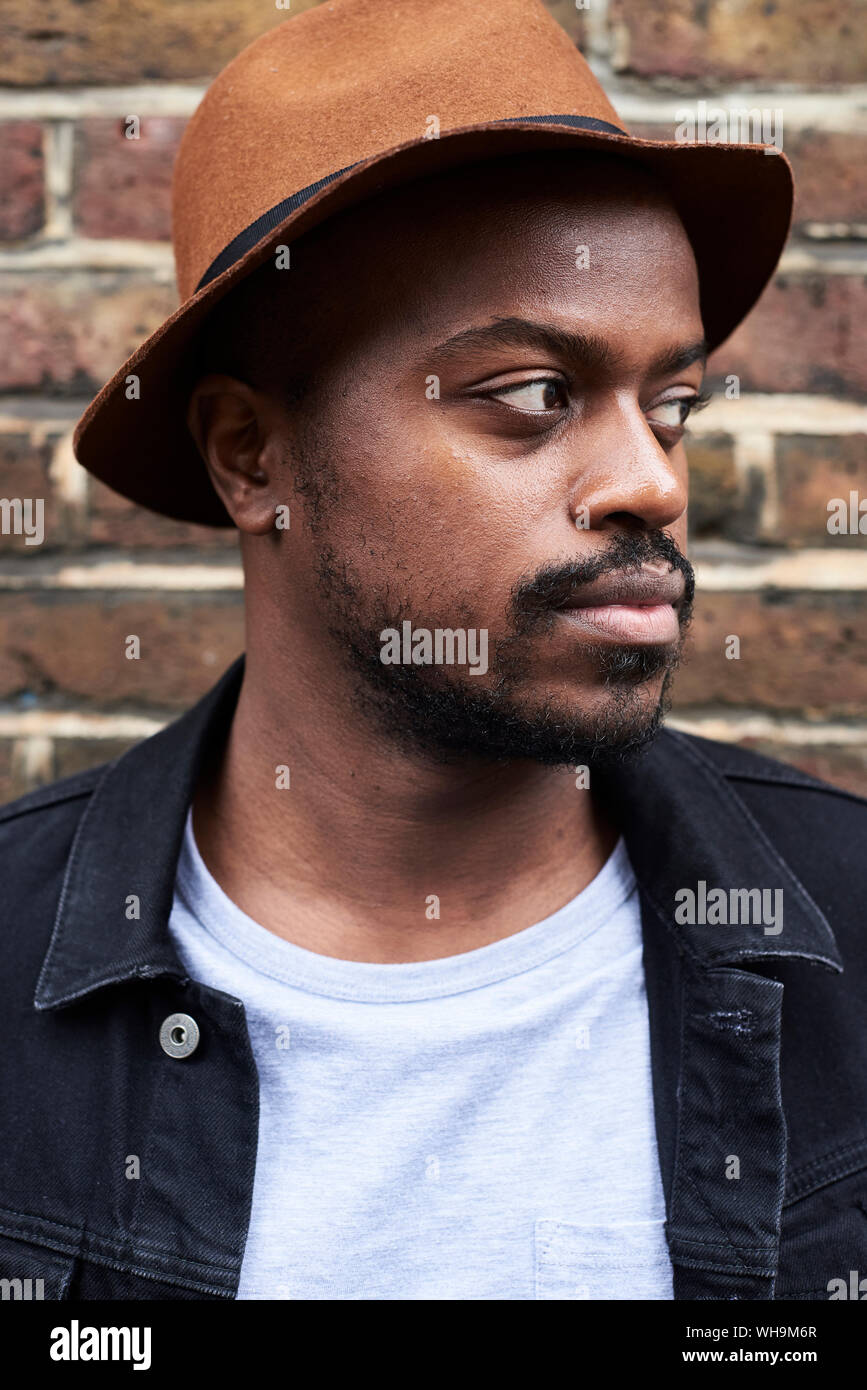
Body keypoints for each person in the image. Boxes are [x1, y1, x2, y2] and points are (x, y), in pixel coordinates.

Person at [2, 0, 865, 1302]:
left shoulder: (847, 930)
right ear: (252, 454)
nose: (650, 481)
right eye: (532, 396)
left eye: (673, 405)